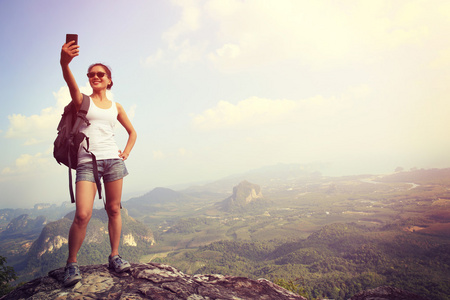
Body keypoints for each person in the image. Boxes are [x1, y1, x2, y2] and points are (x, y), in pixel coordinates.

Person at [60, 40, 137, 287]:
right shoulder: (82, 100)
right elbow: (69, 82)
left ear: (109, 80)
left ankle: (114, 256)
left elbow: (133, 132)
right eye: (91, 74)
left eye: (100, 74)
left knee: (114, 210)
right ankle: (72, 263)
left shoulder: (117, 106)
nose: (95, 77)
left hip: (113, 161)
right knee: (82, 214)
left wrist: (124, 153)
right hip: (86, 162)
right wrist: (64, 62)